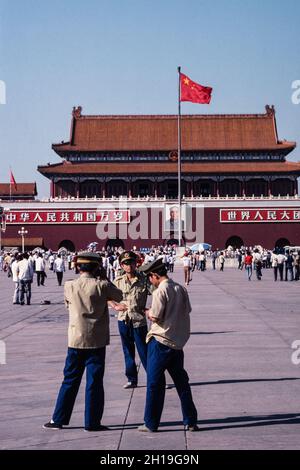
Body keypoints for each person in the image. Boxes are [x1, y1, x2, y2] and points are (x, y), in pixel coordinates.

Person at [43, 252, 123, 431]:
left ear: (78, 267)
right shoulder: (102, 285)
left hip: (76, 340)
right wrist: (105, 279)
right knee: (94, 382)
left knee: (70, 379)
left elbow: (68, 305)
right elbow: (119, 295)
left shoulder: (69, 285)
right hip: (96, 341)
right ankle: (92, 422)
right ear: (97, 267)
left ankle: (58, 419)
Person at [137, 258, 198, 433]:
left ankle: (150, 422)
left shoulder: (159, 291)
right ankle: (191, 420)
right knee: (182, 383)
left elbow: (155, 316)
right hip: (177, 344)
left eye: (150, 277)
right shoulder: (180, 288)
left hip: (160, 341)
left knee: (154, 384)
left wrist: (148, 312)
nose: (150, 280)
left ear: (155, 275)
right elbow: (187, 310)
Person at [113, 251, 150, 389]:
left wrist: (152, 309)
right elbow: (107, 296)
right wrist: (115, 305)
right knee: (128, 351)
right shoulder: (117, 281)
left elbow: (157, 291)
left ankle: (153, 378)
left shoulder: (144, 280)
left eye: (132, 263)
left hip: (138, 321)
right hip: (123, 320)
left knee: (144, 351)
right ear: (122, 265)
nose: (129, 266)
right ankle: (131, 379)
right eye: (126, 263)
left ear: (136, 264)